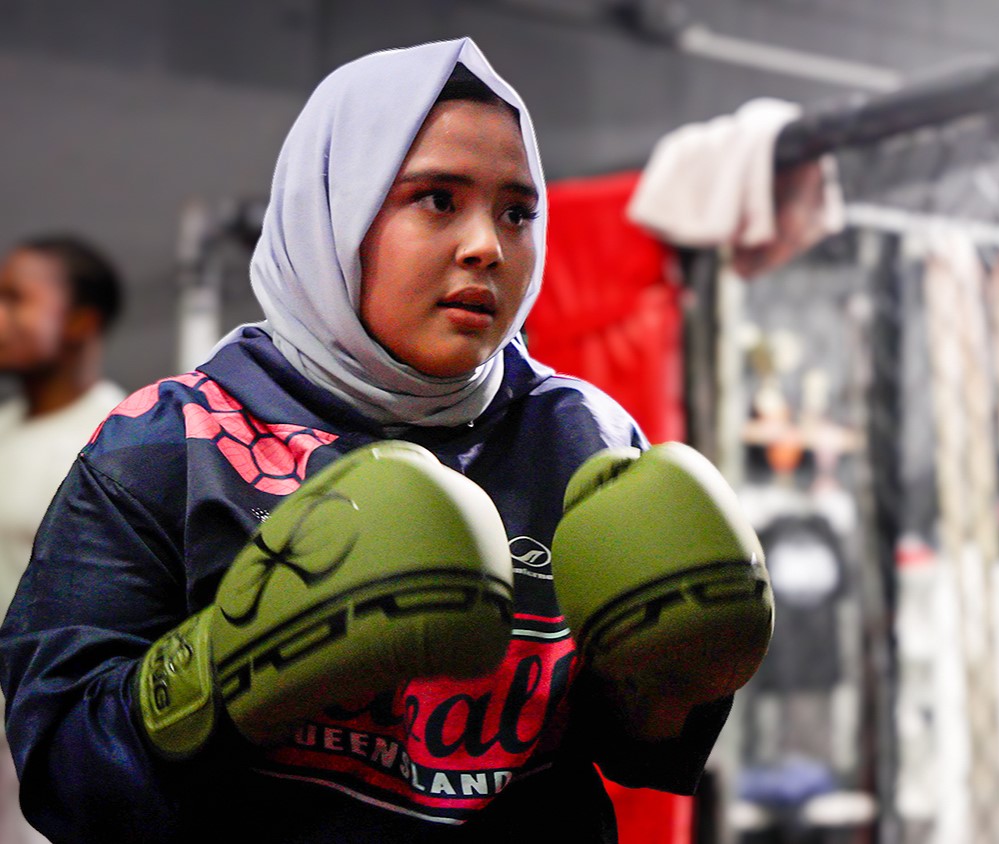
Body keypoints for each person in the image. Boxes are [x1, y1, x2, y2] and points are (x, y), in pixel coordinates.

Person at [0, 38, 770, 843]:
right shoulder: (169, 444)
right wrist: (228, 666)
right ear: (337, 208)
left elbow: (631, 747)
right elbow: (61, 773)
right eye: (437, 199)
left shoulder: (586, 438)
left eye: (517, 210)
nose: (488, 246)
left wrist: (676, 678)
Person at [0, 234, 126, 844]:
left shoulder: (117, 446)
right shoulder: (3, 430)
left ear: (79, 321)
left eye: (15, 299)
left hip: (39, 747)